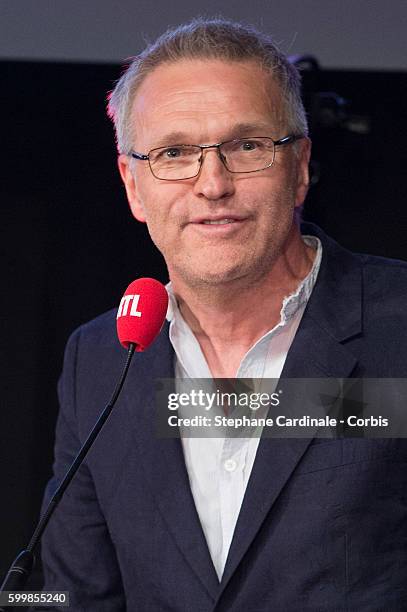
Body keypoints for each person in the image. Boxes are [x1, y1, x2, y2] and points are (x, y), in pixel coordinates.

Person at [39, 18, 407, 611]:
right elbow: (71, 593)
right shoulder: (101, 357)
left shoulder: (398, 325)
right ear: (133, 186)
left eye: (247, 147)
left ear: (301, 166)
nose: (212, 183)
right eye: (175, 152)